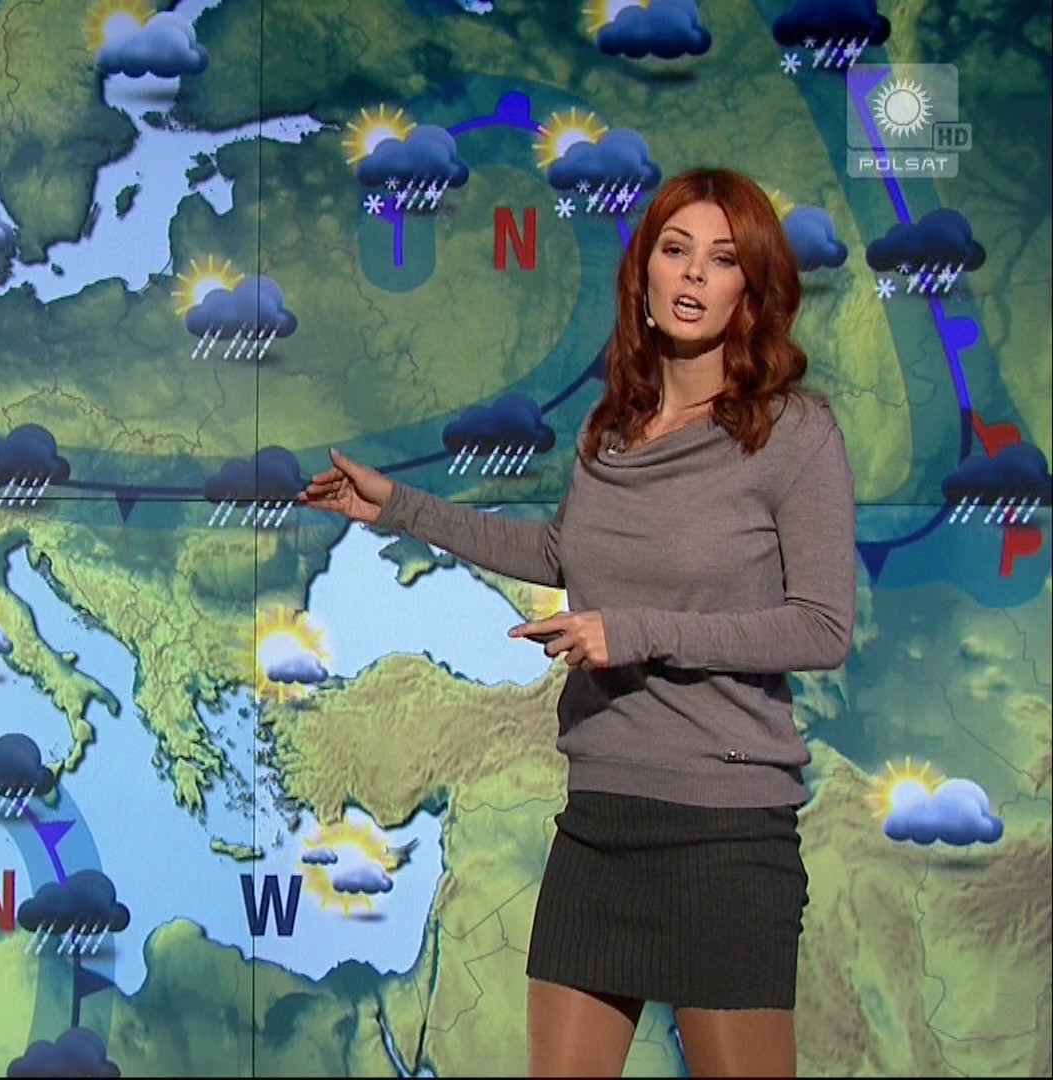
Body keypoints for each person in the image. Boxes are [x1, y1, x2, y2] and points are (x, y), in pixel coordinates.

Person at [299, 166, 857, 1078]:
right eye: (675, 249)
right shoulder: (612, 431)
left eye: (722, 259)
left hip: (724, 834)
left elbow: (820, 628)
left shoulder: (791, 434)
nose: (692, 274)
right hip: (599, 824)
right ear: (643, 274)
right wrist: (399, 506)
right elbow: (561, 553)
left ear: (752, 291)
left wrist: (632, 632)